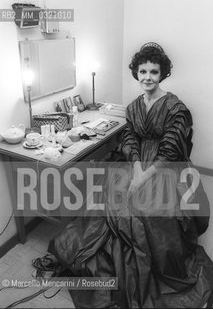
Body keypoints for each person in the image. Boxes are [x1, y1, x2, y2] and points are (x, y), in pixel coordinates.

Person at [48, 42, 213, 308]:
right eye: (143, 71)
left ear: (163, 74)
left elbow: (171, 150)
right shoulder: (134, 106)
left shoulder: (174, 107)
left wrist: (143, 177)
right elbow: (130, 138)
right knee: (108, 201)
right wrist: (135, 167)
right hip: (136, 164)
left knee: (148, 211)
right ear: (136, 72)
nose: (147, 77)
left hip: (163, 168)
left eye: (154, 72)